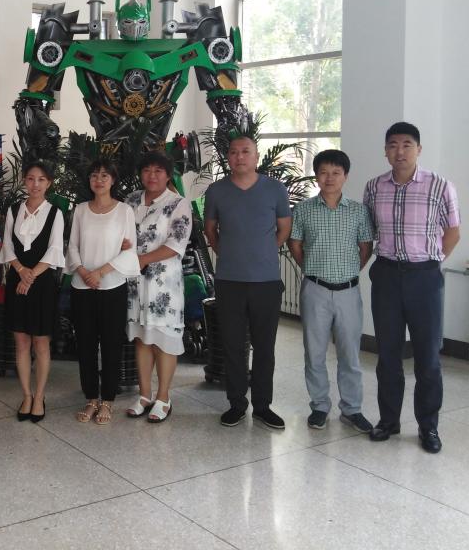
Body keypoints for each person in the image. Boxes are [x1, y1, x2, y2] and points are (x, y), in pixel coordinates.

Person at [363, 122, 460, 453]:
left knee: (428, 357)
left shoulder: (440, 186)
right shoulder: (374, 187)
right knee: (388, 354)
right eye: (393, 145)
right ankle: (389, 421)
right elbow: (370, 229)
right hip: (387, 275)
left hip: (425, 278)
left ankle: (428, 427)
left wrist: (432, 262)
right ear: (385, 151)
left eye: (407, 144)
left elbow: (453, 232)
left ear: (419, 149)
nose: (400, 151)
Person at [204, 135, 291, 430]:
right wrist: (228, 253)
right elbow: (211, 230)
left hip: (266, 281)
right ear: (227, 157)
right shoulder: (216, 191)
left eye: (245, 151)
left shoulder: (274, 189)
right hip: (229, 281)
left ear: (256, 156)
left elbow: (283, 228)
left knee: (265, 346)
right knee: (232, 345)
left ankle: (263, 406)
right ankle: (236, 404)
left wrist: (264, 250)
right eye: (233, 152)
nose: (239, 156)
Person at [288, 149, 375, 433]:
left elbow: (365, 248)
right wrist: (312, 268)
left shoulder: (359, 211)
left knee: (350, 354)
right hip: (315, 290)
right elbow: (295, 245)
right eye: (324, 172)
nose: (330, 178)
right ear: (316, 175)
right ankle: (320, 406)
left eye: (336, 173)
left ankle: (352, 409)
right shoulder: (303, 210)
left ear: (345, 176)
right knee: (314, 353)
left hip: (349, 291)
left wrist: (349, 272)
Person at [66, 159, 139, 425]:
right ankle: (91, 398)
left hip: (112, 286)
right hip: (81, 286)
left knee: (111, 345)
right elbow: (72, 246)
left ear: (113, 180)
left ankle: (107, 400)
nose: (99, 180)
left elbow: (129, 250)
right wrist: (84, 271)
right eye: (94, 175)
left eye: (104, 175)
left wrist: (100, 272)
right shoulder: (80, 210)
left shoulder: (124, 211)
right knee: (85, 345)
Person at [124, 151, 192, 423]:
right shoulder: (130, 200)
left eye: (158, 171)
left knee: (164, 340)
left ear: (167, 175)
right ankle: (144, 395)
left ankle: (163, 397)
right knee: (142, 338)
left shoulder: (178, 203)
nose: (152, 176)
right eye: (147, 170)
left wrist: (142, 259)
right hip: (134, 283)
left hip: (164, 285)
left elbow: (176, 243)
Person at [1, 161, 65, 423]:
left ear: (48, 183)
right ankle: (26, 395)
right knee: (21, 342)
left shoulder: (55, 213)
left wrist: (30, 277)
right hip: (17, 280)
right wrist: (20, 270)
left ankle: (39, 396)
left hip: (42, 283)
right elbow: (7, 246)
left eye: (41, 179)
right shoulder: (14, 210)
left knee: (40, 342)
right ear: (24, 181)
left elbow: (54, 250)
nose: (35, 184)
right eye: (30, 179)